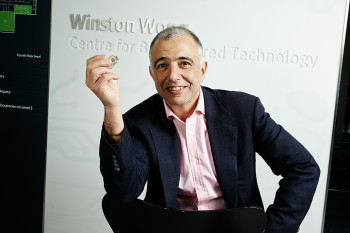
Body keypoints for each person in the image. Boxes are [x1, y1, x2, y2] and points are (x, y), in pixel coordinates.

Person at [85, 26, 320, 233]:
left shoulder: (244, 110)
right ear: (152, 74)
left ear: (203, 69)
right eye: (162, 65)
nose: (173, 75)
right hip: (170, 227)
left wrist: (272, 230)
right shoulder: (137, 121)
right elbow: (125, 192)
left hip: (234, 227)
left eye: (184, 63)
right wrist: (112, 108)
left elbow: (303, 167)